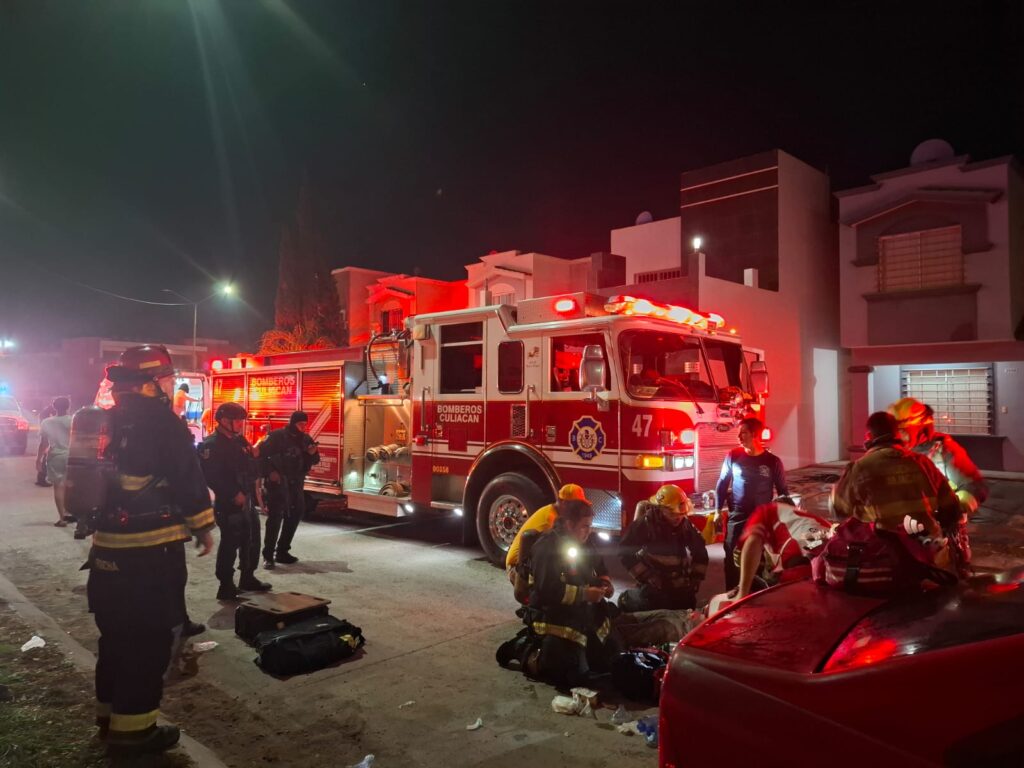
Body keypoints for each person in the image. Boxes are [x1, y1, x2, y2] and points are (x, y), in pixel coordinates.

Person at [85, 345, 215, 756]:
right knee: (148, 642)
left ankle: (108, 719)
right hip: (150, 555)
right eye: (167, 379)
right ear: (150, 382)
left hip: (105, 554)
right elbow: (187, 479)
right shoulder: (162, 422)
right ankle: (135, 734)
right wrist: (203, 526)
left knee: (115, 639)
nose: (171, 385)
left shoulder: (105, 420)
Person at [832, 411, 962, 569]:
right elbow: (952, 510)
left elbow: (838, 510)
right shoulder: (922, 462)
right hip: (928, 554)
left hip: (884, 557)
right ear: (898, 434)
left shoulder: (860, 467)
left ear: (868, 436)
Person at [890, 397, 988, 575]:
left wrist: (951, 509)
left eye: (904, 431)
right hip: (903, 531)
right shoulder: (894, 452)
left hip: (941, 534)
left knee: (947, 579)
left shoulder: (944, 450)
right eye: (897, 431)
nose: (899, 436)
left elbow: (975, 487)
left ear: (920, 427)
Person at [527, 499, 618, 688]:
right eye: (585, 526)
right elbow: (546, 592)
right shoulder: (547, 547)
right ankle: (528, 653)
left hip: (580, 611)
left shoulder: (583, 542)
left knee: (609, 661)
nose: (589, 531)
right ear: (569, 524)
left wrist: (604, 583)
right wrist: (585, 595)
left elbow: (599, 566)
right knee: (574, 677)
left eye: (590, 526)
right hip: (552, 615)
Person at [198, 402, 271, 600]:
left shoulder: (239, 441)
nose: (240, 424)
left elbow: (251, 461)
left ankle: (247, 577)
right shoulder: (211, 445)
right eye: (237, 420)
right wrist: (232, 493)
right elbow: (212, 476)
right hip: (228, 503)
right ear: (223, 421)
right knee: (230, 543)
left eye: (241, 420)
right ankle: (226, 585)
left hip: (246, 500)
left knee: (251, 540)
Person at [714, 416, 788, 590]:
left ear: (755, 434)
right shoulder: (733, 456)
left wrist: (787, 514)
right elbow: (722, 483)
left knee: (758, 559)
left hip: (761, 519)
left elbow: (783, 491)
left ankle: (754, 595)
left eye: (743, 433)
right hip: (737, 516)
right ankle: (732, 595)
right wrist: (718, 510)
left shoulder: (773, 462)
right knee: (732, 555)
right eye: (739, 433)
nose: (739, 437)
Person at [618, 484, 708, 611]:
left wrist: (695, 578)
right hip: (654, 583)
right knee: (654, 606)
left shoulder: (684, 525)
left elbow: (700, 551)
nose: (678, 518)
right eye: (672, 513)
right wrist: (648, 576)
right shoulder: (646, 524)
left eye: (681, 514)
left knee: (687, 606)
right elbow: (624, 551)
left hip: (678, 582)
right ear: (661, 508)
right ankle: (626, 599)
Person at [733, 496, 831, 600]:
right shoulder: (805, 518)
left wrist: (742, 592)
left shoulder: (766, 512)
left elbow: (752, 543)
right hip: (832, 554)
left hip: (800, 567)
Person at [506, 483, 589, 598]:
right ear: (564, 503)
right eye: (576, 506)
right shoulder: (551, 519)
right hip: (518, 566)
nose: (579, 510)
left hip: (530, 561)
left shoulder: (557, 513)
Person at [260, 411, 320, 568]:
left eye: (305, 424)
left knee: (295, 515)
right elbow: (261, 456)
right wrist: (270, 472)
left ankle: (282, 551)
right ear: (293, 423)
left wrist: (311, 454)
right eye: (300, 424)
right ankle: (268, 556)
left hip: (296, 484)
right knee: (275, 519)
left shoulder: (305, 439)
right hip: (278, 484)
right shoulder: (276, 437)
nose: (303, 427)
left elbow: (315, 460)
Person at [37, 396, 73, 526]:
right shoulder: (73, 420)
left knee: (58, 487)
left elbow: (43, 443)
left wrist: (38, 459)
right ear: (68, 406)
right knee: (70, 486)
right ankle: (71, 513)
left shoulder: (46, 422)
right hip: (72, 457)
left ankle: (62, 518)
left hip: (55, 456)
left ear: (54, 407)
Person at [35, 400, 56, 487]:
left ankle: (41, 479)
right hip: (55, 444)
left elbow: (44, 441)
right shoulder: (69, 420)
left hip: (51, 443)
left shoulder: (46, 413)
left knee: (46, 460)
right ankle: (42, 479)